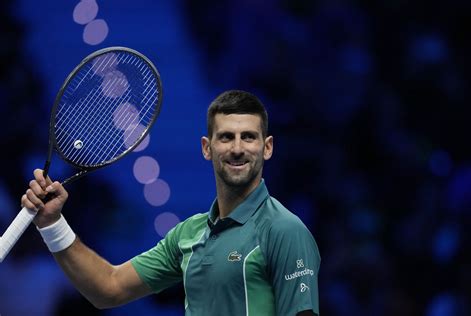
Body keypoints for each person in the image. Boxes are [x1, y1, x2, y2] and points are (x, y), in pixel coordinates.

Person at [22, 90, 321, 315]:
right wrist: (52, 223)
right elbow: (108, 288)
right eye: (227, 137)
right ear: (207, 148)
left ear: (267, 148)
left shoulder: (284, 231)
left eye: (249, 137)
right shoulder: (187, 235)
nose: (238, 148)